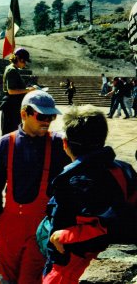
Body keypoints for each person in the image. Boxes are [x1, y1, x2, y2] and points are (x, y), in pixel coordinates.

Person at [43, 105, 137, 284]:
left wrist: (64, 235)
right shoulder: (124, 169)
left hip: (71, 268)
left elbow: (107, 222)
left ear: (65, 144)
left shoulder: (74, 181)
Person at [0, 90, 69, 284]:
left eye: (52, 116)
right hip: (9, 227)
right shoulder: (6, 143)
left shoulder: (58, 144)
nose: (47, 121)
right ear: (24, 114)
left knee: (30, 280)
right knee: (4, 279)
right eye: (42, 116)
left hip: (40, 229)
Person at [0, 48, 36, 135]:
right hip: (11, 106)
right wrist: (28, 90)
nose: (25, 64)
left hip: (14, 105)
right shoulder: (12, 70)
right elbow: (11, 91)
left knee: (13, 133)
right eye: (24, 61)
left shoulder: (13, 69)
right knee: (10, 133)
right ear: (20, 59)